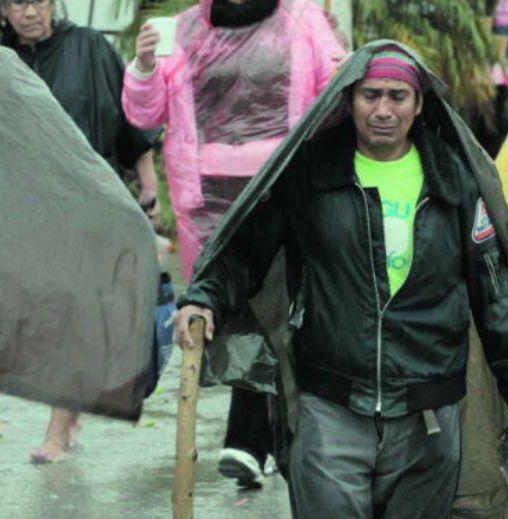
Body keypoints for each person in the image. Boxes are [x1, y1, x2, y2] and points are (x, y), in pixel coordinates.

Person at [173, 42, 508, 519]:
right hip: (332, 407)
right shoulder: (311, 172)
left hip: (429, 417)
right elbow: (246, 249)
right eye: (370, 95)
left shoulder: (452, 179)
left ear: (419, 105)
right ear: (349, 99)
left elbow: (493, 287)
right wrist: (204, 297)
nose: (382, 110)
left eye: (397, 96)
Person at [122, 0, 345, 488]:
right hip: (210, 206)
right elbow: (145, 113)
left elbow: (333, 96)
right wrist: (141, 68)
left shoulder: (302, 20)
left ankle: (256, 441)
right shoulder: (178, 31)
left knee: (286, 313)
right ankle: (258, 438)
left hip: (286, 193)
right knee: (236, 312)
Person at [0, 0, 160, 464]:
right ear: (2, 11)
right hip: (28, 208)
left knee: (69, 313)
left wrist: (149, 186)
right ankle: (68, 413)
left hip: (91, 201)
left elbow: (128, 116)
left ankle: (59, 427)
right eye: (15, 3)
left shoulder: (89, 47)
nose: (28, 12)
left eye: (37, 0)